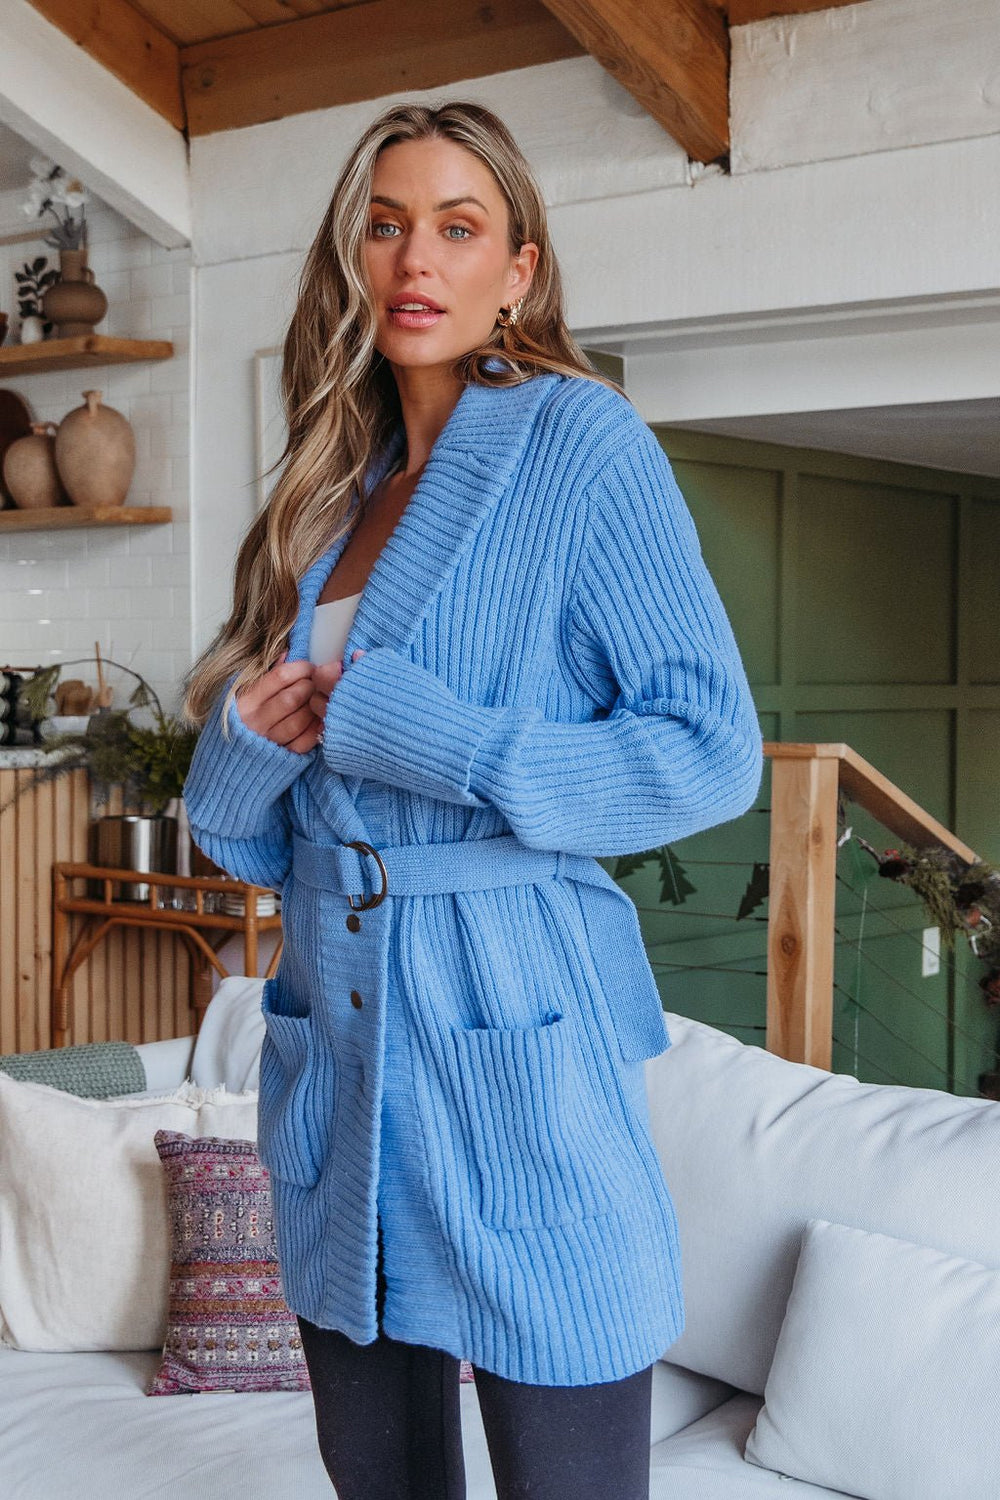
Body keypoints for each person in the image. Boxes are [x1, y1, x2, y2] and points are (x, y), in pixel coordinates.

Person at [182, 100, 763, 1500]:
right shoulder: (332, 494)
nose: (413, 261)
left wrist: (440, 740)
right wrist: (246, 750)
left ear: (521, 269)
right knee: (377, 1476)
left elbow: (708, 750)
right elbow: (260, 837)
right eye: (384, 226)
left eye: (458, 227)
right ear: (350, 257)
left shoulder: (581, 446)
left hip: (516, 1029)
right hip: (339, 1040)